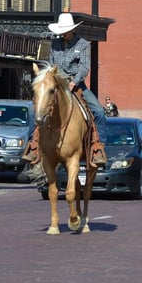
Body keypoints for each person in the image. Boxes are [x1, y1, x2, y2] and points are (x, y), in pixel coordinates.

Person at [21, 12, 107, 169]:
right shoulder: (55, 44)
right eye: (61, 31)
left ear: (72, 30)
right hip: (56, 85)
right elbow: (50, 65)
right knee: (36, 111)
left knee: (99, 112)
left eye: (65, 31)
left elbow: (84, 66)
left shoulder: (83, 45)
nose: (62, 34)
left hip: (77, 86)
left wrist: (75, 81)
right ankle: (33, 145)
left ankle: (97, 148)